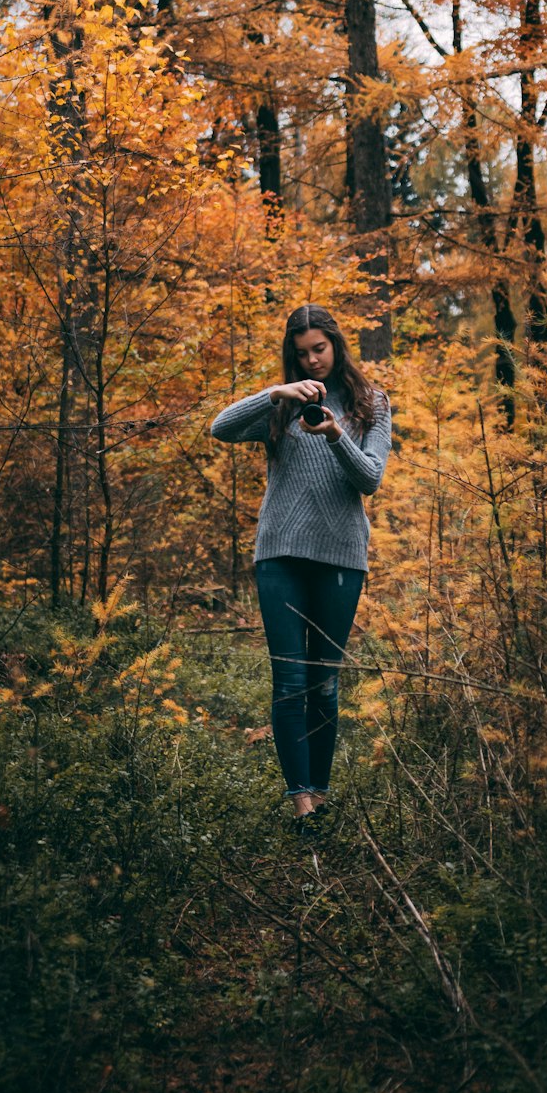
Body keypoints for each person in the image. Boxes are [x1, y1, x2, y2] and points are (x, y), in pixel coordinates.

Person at [210, 303, 392, 828]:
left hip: (341, 556)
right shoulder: (281, 404)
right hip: (280, 557)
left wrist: (335, 435)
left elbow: (370, 480)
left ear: (336, 345)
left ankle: (322, 790)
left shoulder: (370, 403)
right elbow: (220, 428)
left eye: (320, 349)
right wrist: (276, 394)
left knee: (324, 684)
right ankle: (302, 802)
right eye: (302, 353)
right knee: (289, 682)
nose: (312, 360)